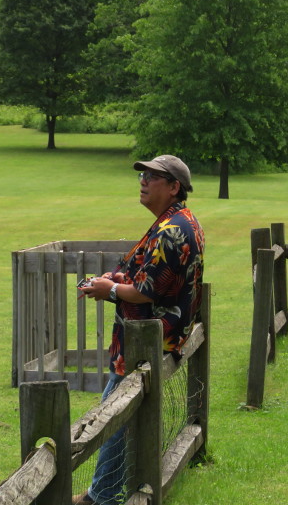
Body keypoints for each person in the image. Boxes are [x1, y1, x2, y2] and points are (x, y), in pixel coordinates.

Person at [74, 155, 205, 505]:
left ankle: (100, 499)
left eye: (152, 176)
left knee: (110, 421)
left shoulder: (171, 230)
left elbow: (147, 291)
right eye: (142, 176)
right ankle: (100, 494)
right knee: (115, 417)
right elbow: (146, 275)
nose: (143, 181)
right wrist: (112, 280)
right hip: (153, 340)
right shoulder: (178, 221)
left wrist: (110, 290)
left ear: (174, 187)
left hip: (148, 342)